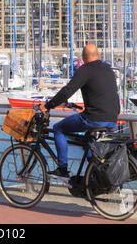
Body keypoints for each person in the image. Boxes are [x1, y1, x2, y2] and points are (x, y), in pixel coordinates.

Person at [45, 44, 121, 181]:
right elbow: (113, 95)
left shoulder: (85, 69)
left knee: (58, 129)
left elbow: (68, 90)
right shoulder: (108, 69)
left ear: (84, 58)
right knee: (89, 143)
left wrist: (49, 105)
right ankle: (93, 179)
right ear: (98, 55)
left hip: (93, 119)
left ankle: (62, 169)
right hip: (112, 119)